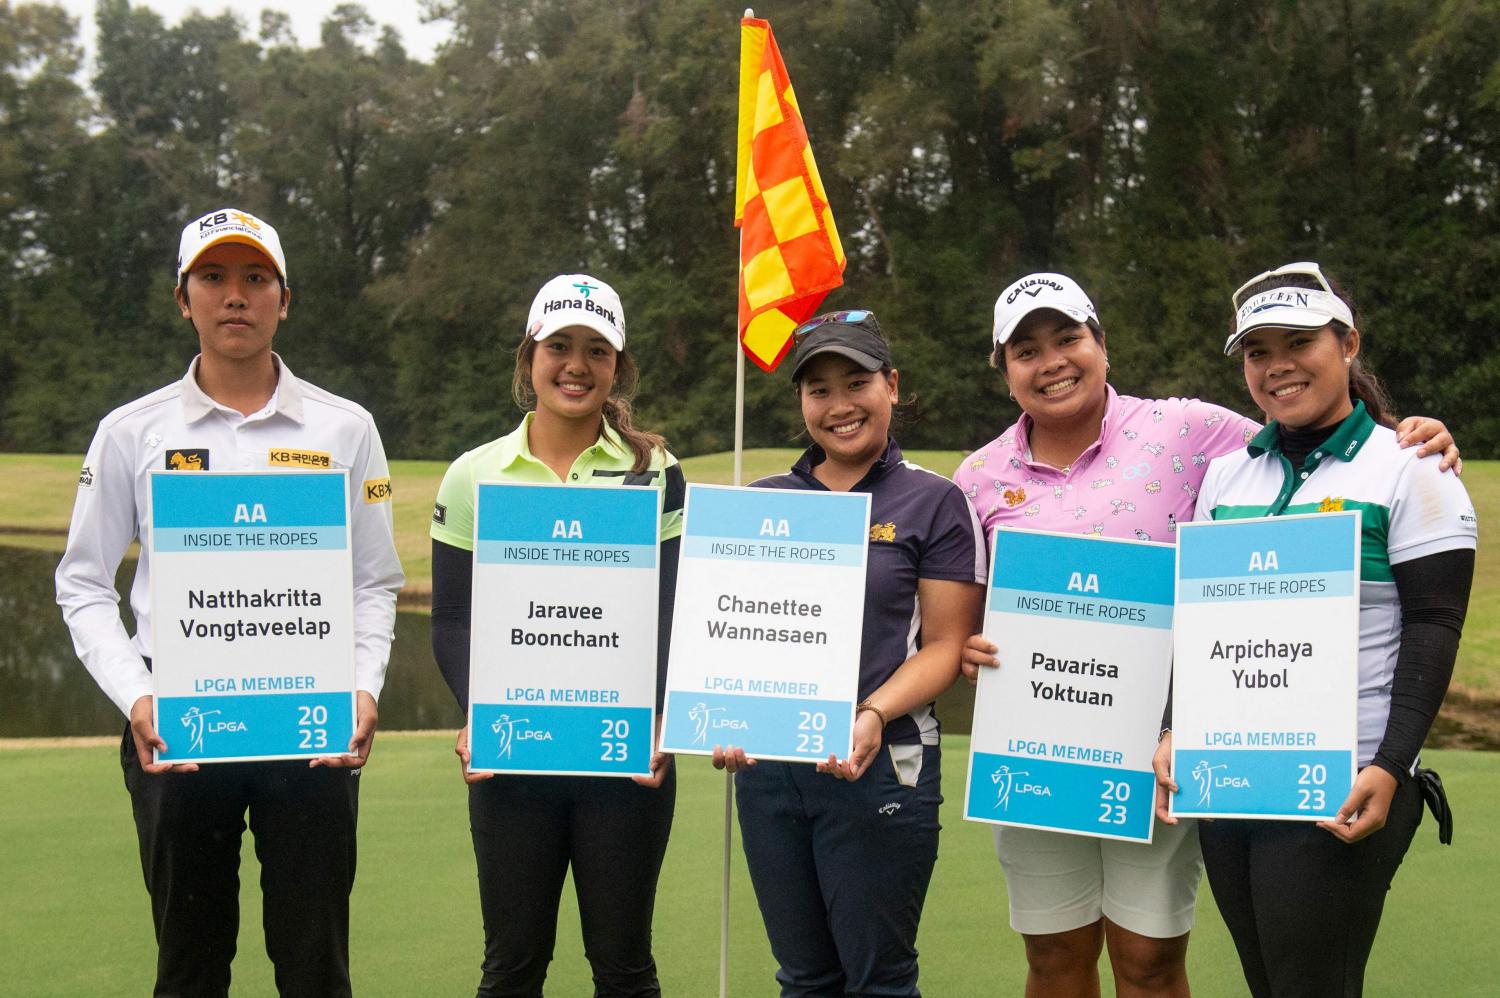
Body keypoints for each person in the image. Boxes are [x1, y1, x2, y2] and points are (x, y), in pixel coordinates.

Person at [952, 272, 1458, 998]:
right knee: (1054, 956)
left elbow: (1305, 421)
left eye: (1069, 338)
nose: (1052, 360)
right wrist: (972, 643)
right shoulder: (978, 477)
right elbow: (963, 612)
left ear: (1102, 345)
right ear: (1004, 373)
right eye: (1025, 350)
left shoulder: (1191, 430)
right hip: (1042, 751)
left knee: (1150, 961)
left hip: (1173, 749)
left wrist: (1410, 431)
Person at [55, 207, 404, 997]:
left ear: (286, 297)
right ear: (184, 299)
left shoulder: (345, 429)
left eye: (255, 279)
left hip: (309, 722)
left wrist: (365, 686)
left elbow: (372, 580)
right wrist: (137, 695)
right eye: (213, 278)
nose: (235, 296)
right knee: (190, 964)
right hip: (177, 723)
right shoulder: (128, 432)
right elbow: (82, 583)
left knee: (314, 965)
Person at [1157, 261, 1476, 997]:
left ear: (1348, 343)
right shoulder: (1229, 475)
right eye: (1257, 352)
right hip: (1230, 775)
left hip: (1345, 777)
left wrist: (1391, 765)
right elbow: (1202, 622)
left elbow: (1435, 625)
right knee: (1269, 983)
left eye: (1298, 342)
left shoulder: (1413, 467)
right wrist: (1175, 729)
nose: (1277, 366)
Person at [715, 310, 987, 997]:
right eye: (818, 389)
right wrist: (722, 713)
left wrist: (870, 712)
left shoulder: (933, 500)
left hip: (883, 761)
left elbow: (946, 646)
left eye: (856, 382)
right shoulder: (765, 502)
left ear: (891, 386)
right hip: (772, 774)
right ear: (801, 403)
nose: (839, 406)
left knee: (878, 981)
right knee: (804, 978)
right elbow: (735, 636)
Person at [430, 274, 684, 998]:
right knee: (512, 965)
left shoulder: (655, 473)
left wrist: (663, 716)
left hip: (626, 754)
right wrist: (479, 708)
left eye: (596, 350)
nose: (576, 364)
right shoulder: (474, 474)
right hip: (515, 755)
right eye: (560, 346)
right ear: (529, 358)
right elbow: (452, 621)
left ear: (618, 367)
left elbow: (669, 611)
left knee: (624, 965)